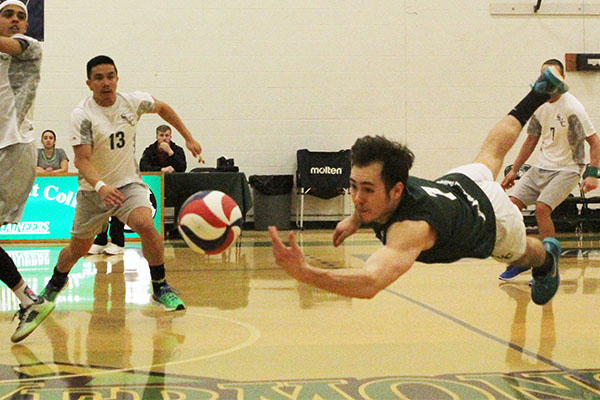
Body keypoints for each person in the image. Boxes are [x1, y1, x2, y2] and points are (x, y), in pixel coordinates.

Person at [270, 67, 567, 305]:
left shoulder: (410, 229)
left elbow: (370, 282)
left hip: (492, 220)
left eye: (368, 190)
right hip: (461, 183)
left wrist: (306, 273)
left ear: (397, 190)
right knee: (490, 153)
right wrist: (354, 219)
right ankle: (536, 94)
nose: (358, 198)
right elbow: (370, 195)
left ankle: (547, 259)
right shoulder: (390, 181)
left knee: (526, 254)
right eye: (353, 186)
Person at [39, 55, 203, 311]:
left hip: (128, 184)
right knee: (78, 249)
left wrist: (189, 138)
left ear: (117, 78)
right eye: (99, 78)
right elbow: (82, 160)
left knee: (146, 225)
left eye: (110, 76)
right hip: (93, 190)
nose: (106, 82)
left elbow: (163, 108)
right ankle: (55, 283)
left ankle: (160, 286)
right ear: (89, 83)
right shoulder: (82, 115)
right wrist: (101, 187)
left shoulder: (132, 102)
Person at [499, 59, 600, 281]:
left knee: (542, 209)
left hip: (568, 169)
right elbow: (530, 140)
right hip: (542, 167)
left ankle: (547, 265)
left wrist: (593, 175)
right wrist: (514, 171)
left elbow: (594, 142)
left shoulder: (573, 108)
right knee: (511, 205)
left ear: (560, 80)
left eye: (549, 77)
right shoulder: (540, 105)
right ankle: (522, 258)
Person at [0, 0, 54, 342]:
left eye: (22, 16)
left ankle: (28, 298)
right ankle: (27, 299)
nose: (17, 21)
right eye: (9, 15)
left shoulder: (30, 47)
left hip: (14, 150)